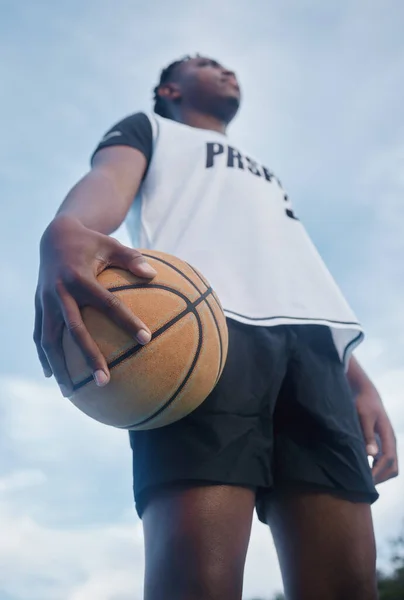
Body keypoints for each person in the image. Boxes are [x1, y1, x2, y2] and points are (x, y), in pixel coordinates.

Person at [34, 55, 398, 600]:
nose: (226, 70)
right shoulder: (150, 128)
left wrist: (357, 377)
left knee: (348, 585)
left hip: (314, 349)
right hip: (204, 336)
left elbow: (293, 269)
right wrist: (70, 227)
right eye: (205, 64)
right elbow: (108, 178)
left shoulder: (265, 175)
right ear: (170, 89)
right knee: (197, 581)